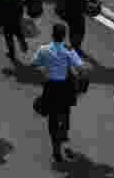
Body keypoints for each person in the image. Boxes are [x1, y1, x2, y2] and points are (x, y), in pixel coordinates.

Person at [30, 23, 85, 163]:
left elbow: (34, 63)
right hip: (65, 87)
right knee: (66, 113)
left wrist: (44, 69)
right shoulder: (68, 49)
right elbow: (81, 68)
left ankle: (56, 150)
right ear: (64, 35)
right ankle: (64, 135)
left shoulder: (44, 49)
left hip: (50, 87)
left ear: (52, 35)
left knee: (52, 118)